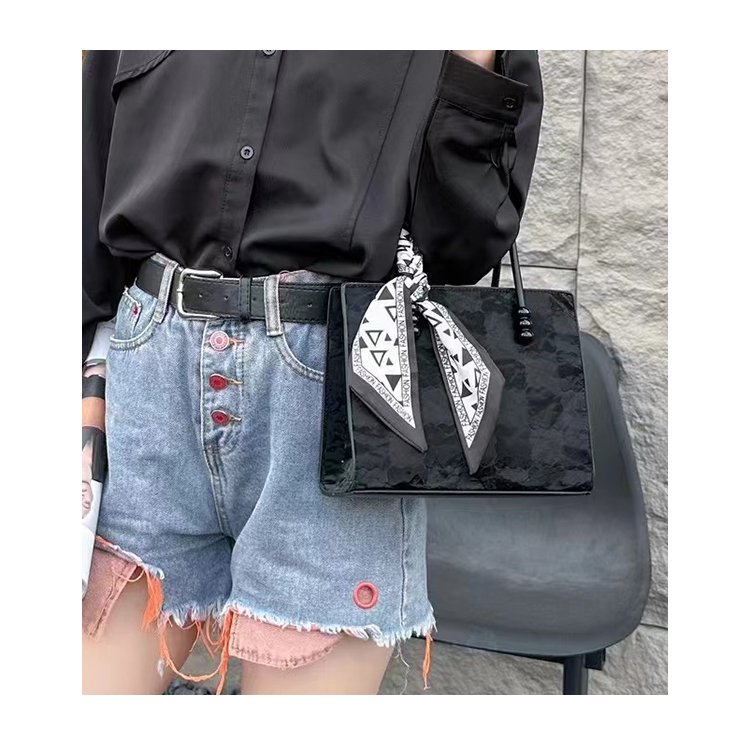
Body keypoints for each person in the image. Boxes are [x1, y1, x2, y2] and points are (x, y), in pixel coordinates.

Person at [82, 49, 543, 695]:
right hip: (146, 385)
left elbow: (459, 248)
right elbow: (86, 172)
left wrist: (469, 60)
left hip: (336, 394)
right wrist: (80, 383)